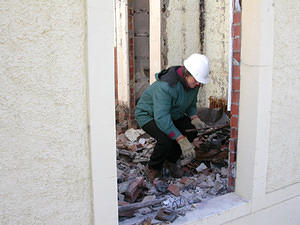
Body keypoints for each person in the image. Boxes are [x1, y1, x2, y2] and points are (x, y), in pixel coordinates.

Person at [134, 53, 210, 182]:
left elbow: (190, 103)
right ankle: (153, 167)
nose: (198, 84)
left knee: (191, 130)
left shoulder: (193, 84)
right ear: (187, 73)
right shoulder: (166, 86)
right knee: (165, 140)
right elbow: (162, 118)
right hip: (149, 115)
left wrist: (194, 117)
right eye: (196, 80)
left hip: (172, 113)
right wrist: (180, 139)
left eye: (200, 81)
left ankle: (170, 161)